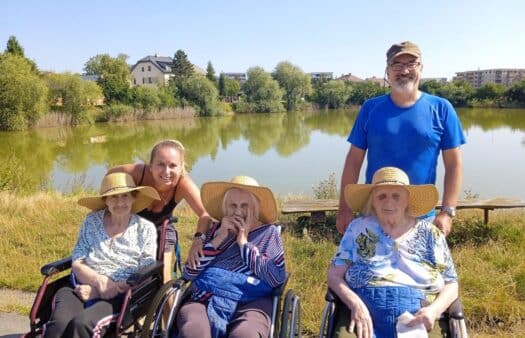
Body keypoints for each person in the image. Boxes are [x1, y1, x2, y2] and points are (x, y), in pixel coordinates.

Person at [336, 41, 466, 236]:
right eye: (397, 65)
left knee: (422, 267)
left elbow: (454, 164)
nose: (404, 71)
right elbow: (354, 161)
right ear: (387, 72)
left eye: (411, 64)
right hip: (374, 213)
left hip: (422, 216)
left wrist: (447, 211)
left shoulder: (441, 108)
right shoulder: (370, 108)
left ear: (421, 68)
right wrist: (345, 209)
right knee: (368, 267)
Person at [328, 167, 459, 338]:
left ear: (407, 201)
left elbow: (452, 284)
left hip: (418, 314)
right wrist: (355, 305)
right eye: (381, 196)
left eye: (396, 196)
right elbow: (334, 275)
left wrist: (434, 311)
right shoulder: (358, 228)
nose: (389, 203)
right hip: (365, 310)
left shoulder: (430, 233)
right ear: (372, 201)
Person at [44, 173, 160, 338]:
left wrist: (99, 292)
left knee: (82, 325)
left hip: (121, 296)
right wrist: (98, 282)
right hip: (80, 286)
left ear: (134, 198)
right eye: (113, 197)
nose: (120, 202)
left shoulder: (145, 229)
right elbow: (78, 261)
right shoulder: (91, 221)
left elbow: (145, 272)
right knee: (59, 325)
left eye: (125, 196)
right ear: (105, 200)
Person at [176, 176, 286, 338]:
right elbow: (189, 273)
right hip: (205, 297)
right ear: (225, 207)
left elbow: (276, 278)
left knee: (245, 334)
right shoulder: (215, 230)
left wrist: (243, 243)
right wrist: (218, 239)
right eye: (233, 205)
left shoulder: (269, 233)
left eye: (245, 206)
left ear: (255, 207)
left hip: (252, 302)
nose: (238, 211)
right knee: (194, 332)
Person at [107, 139, 212, 281]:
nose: (166, 171)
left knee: (164, 275)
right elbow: (110, 176)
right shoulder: (137, 173)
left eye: (173, 165)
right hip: (130, 225)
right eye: (160, 164)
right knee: (119, 269)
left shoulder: (183, 183)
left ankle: (165, 300)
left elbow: (205, 214)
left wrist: (198, 240)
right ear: (151, 166)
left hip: (162, 228)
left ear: (181, 168)